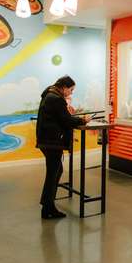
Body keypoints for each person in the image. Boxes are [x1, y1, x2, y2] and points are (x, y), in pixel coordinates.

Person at [36, 76, 90, 219]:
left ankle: (48, 205)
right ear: (64, 87)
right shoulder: (56, 98)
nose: (70, 93)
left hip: (47, 140)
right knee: (53, 173)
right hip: (51, 142)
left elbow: (60, 116)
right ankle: (47, 208)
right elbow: (66, 120)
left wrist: (68, 113)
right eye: (71, 90)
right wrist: (82, 120)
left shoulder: (50, 94)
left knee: (56, 171)